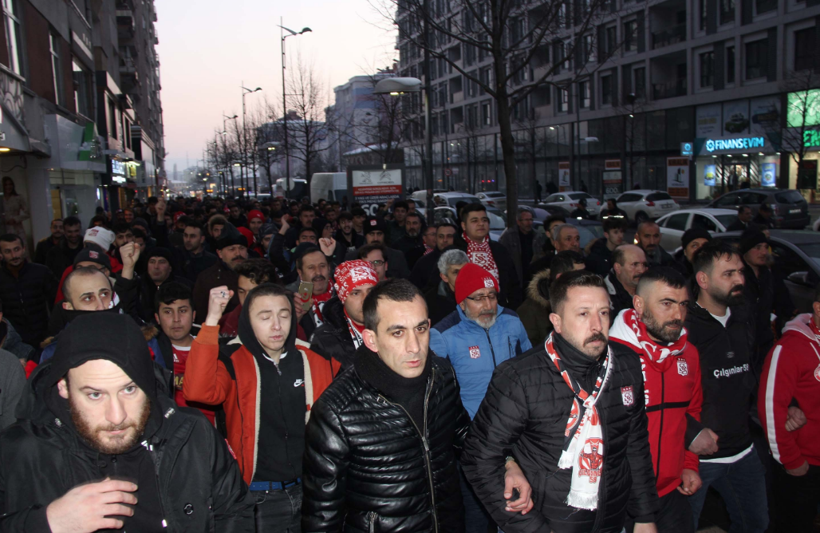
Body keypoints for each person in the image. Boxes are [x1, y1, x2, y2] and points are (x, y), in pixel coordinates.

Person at [301, 278, 533, 532]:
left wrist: (508, 464)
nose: (415, 347)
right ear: (371, 339)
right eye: (398, 332)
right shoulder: (338, 411)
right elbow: (321, 516)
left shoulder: (441, 375)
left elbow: (466, 436)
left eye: (421, 329)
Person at [0, 312, 255, 531]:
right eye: (95, 394)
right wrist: (45, 523)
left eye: (129, 390)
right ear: (63, 387)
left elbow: (234, 512)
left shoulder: (191, 434)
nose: (117, 416)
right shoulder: (18, 451)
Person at [461, 270, 659, 532]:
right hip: (547, 520)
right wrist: (532, 528)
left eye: (603, 312)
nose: (597, 325)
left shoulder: (626, 363)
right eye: (583, 314)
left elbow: (634, 444)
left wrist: (644, 516)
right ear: (557, 321)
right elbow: (479, 457)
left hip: (613, 518)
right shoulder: (520, 377)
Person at [184, 283, 339, 531]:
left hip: (312, 492)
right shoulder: (232, 358)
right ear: (248, 321)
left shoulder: (316, 359)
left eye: (284, 315)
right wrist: (212, 319)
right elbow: (198, 391)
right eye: (265, 317)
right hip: (258, 498)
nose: (277, 326)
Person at [610, 267, 704, 533]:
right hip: (621, 497)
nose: (678, 315)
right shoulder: (610, 356)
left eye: (683, 305)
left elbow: (691, 411)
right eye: (666, 304)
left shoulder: (690, 354)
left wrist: (688, 464)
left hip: (671, 492)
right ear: (638, 304)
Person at [685, 239, 768, 532]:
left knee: (755, 523)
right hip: (698, 458)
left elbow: (754, 372)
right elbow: (662, 393)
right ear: (703, 280)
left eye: (740, 272)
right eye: (729, 274)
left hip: (744, 450)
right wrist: (691, 436)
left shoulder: (744, 316)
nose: (739, 279)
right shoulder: (684, 328)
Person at [758, 286, 820, 532]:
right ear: (818, 308)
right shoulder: (789, 349)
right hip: (805, 463)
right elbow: (769, 407)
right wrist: (790, 459)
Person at [739, 229, 795, 373]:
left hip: (765, 341)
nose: (764, 252)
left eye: (765, 247)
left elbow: (780, 299)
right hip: (743, 344)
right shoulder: (736, 277)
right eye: (757, 248)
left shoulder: (768, 274)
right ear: (746, 250)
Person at [310, 260, 380, 369]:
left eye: (370, 291)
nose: (365, 300)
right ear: (343, 298)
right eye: (356, 293)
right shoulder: (324, 341)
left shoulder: (396, 325)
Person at [455, 203, 522, 309]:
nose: (481, 224)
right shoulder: (453, 252)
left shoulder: (499, 250)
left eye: (484, 220)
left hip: (499, 312)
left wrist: (509, 308)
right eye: (474, 221)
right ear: (463, 225)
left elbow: (514, 285)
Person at [0, 234, 58, 347]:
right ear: (1, 254)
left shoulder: (41, 272)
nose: (14, 255)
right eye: (8, 251)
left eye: (16, 249)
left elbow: (56, 301)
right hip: (14, 340)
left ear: (23, 249)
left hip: (44, 335)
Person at [518, 250, 585, 347]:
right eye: (578, 275)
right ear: (561, 277)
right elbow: (529, 354)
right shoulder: (529, 311)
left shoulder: (587, 302)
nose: (586, 279)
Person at [192, 222, 247, 323]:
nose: (238, 253)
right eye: (232, 249)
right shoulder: (207, 279)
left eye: (242, 248)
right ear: (220, 253)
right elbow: (200, 316)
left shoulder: (258, 274)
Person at [219, 258, 279, 338]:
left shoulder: (284, 325)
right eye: (241, 291)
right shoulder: (225, 322)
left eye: (253, 292)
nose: (246, 298)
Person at [289, 244, 334, 339]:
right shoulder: (289, 297)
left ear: (329, 268)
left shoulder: (342, 291)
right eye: (311, 267)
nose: (318, 272)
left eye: (322, 266)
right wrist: (294, 319)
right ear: (300, 273)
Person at [138, 247, 193, 323]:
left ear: (170, 267)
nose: (156, 266)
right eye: (152, 261)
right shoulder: (138, 286)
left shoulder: (183, 286)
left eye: (162, 262)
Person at [344, 217, 411, 279]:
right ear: (365, 236)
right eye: (371, 234)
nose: (375, 238)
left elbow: (406, 282)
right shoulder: (352, 258)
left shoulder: (397, 256)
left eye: (379, 234)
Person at [499, 207, 548, 287]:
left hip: (533, 275)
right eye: (526, 220)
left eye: (531, 220)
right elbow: (503, 257)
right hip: (516, 277)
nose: (529, 223)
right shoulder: (509, 236)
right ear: (519, 222)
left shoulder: (537, 236)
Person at [424, 249, 468, 326]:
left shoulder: (482, 293)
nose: (462, 276)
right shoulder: (430, 302)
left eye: (465, 270)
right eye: (456, 272)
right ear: (444, 277)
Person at [409, 222, 458, 290]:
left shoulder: (466, 258)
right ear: (436, 239)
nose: (445, 240)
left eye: (449, 236)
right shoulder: (423, 263)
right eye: (441, 236)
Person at [605, 244, 648, 316]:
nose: (641, 270)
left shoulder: (651, 290)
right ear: (618, 268)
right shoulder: (605, 295)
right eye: (635, 264)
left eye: (644, 264)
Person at [1, 177, 28, 244]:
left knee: (19, 248)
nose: (8, 186)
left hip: (17, 229)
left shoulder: (18, 198)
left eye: (10, 184)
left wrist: (16, 219)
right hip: (3, 228)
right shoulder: (1, 199)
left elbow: (28, 212)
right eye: (6, 185)